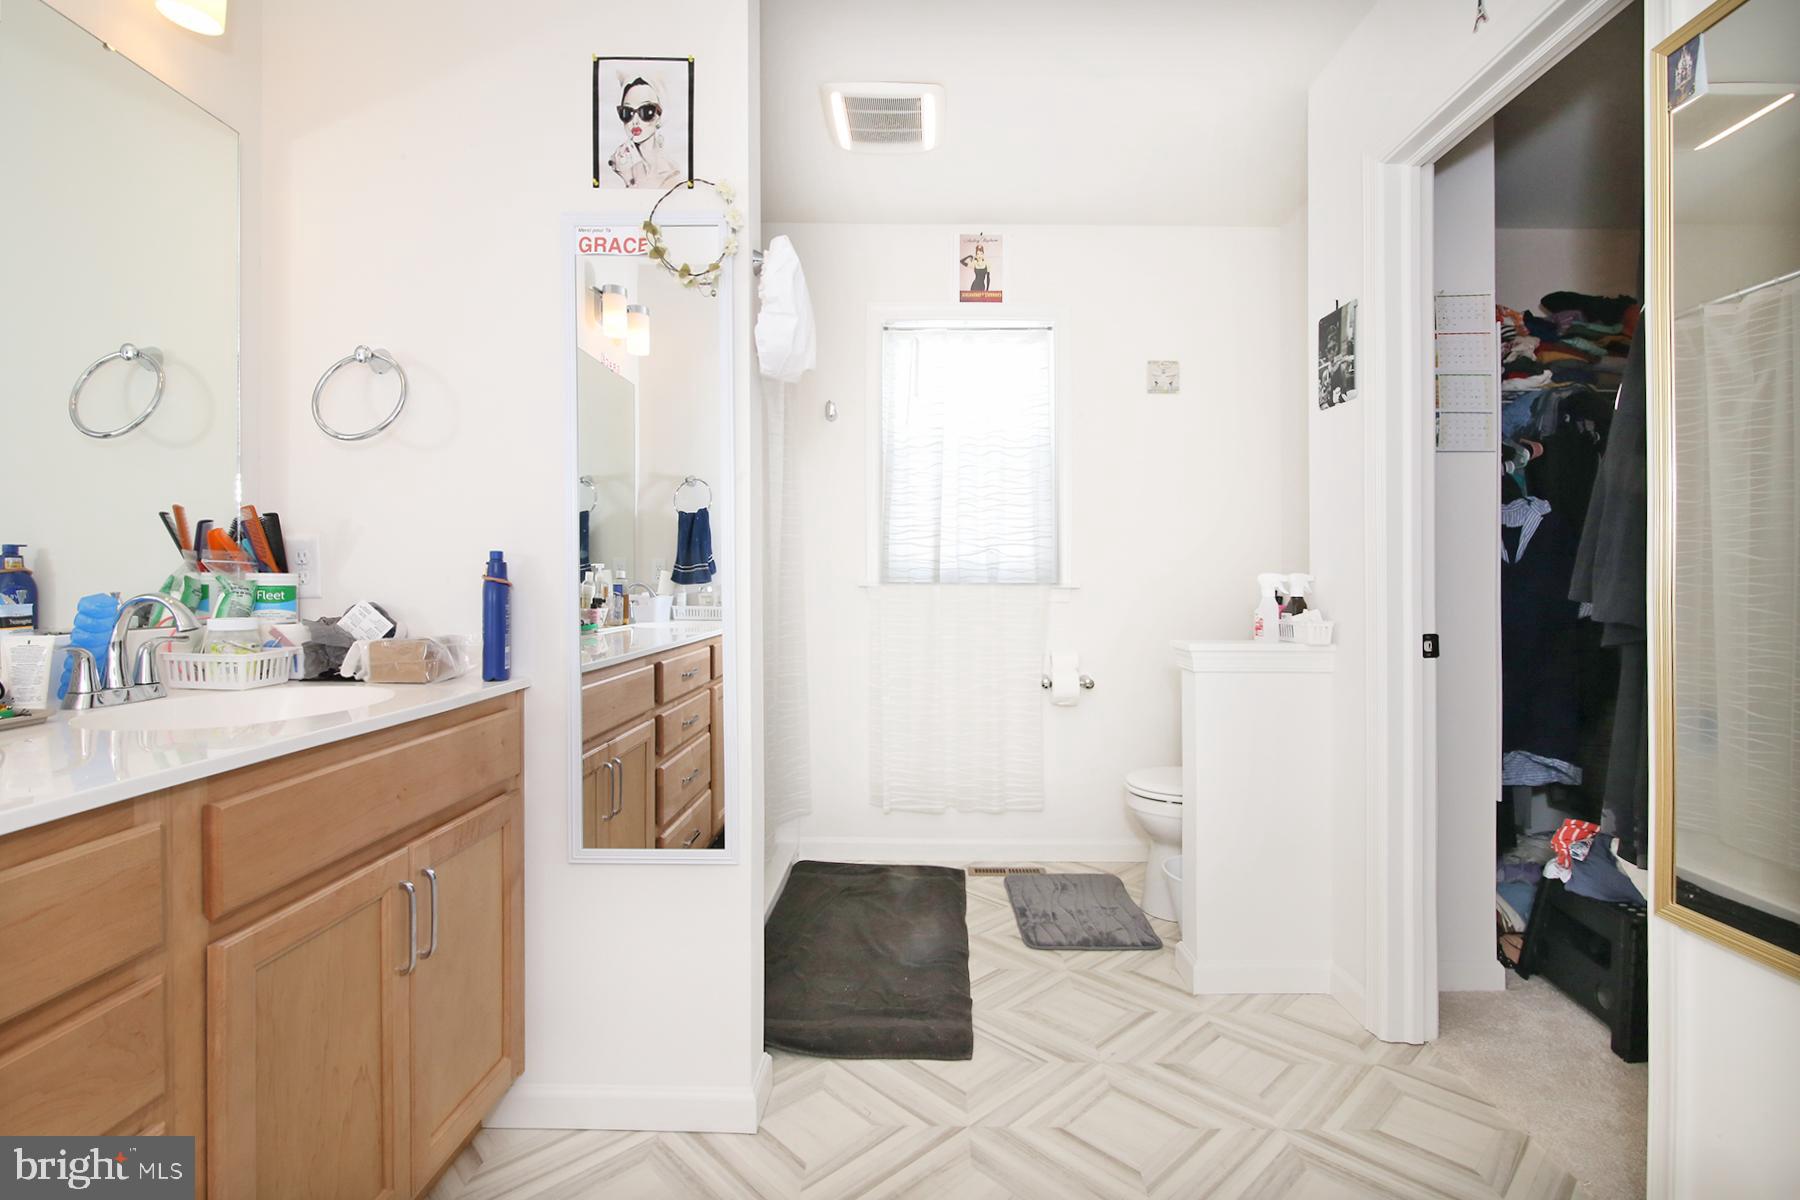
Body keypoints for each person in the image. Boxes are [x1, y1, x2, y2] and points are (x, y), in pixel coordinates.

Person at [607, 74, 684, 188]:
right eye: (627, 112)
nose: (635, 121)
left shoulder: (672, 174)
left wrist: (629, 178)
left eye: (646, 111)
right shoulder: (615, 165)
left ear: (659, 116)